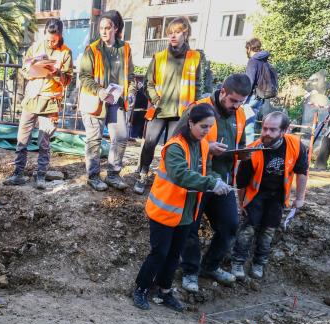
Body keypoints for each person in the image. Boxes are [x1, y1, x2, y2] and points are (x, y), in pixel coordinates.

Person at [132, 103, 233, 311]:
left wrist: (217, 180)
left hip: (186, 212)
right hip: (165, 211)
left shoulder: (203, 145)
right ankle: (141, 289)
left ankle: (164, 291)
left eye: (210, 127)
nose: (207, 132)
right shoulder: (175, 146)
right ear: (190, 123)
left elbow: (207, 170)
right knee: (159, 253)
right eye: (203, 127)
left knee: (174, 254)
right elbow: (181, 175)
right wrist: (211, 184)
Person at [179, 74, 253, 293]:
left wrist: (243, 154)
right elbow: (177, 142)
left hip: (223, 180)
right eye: (233, 101)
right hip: (197, 180)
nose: (236, 106)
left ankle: (209, 266)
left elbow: (239, 143)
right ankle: (190, 271)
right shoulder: (198, 108)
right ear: (222, 92)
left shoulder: (239, 114)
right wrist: (206, 147)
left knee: (230, 225)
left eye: (241, 102)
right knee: (190, 227)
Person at [135, 16, 210, 195]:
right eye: (170, 33)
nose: (173, 36)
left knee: (173, 147)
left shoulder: (196, 57)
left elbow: (199, 86)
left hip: (182, 113)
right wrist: (154, 99)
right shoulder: (159, 57)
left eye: (177, 32)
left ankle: (167, 179)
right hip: (160, 110)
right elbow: (148, 83)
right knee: (150, 142)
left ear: (186, 34)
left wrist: (196, 108)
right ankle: (142, 174)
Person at [231, 112, 308, 280]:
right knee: (248, 228)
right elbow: (242, 182)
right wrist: (241, 204)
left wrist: (300, 198)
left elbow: (302, 172)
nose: (266, 133)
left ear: (284, 130)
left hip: (278, 195)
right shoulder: (252, 149)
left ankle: (259, 263)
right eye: (265, 128)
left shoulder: (296, 145)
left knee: (269, 230)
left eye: (272, 130)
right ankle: (237, 262)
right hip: (256, 194)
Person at [3, 18, 72, 190]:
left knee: (44, 142)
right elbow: (24, 69)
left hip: (49, 101)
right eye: (48, 39)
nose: (50, 42)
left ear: (60, 35)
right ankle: (18, 173)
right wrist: (31, 69)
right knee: (22, 139)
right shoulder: (36, 47)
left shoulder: (66, 53)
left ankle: (40, 176)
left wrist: (57, 72)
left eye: (54, 40)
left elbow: (67, 80)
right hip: (32, 98)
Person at [78, 11, 134, 192]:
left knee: (121, 137)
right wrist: (100, 91)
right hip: (95, 101)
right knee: (94, 139)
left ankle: (113, 174)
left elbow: (131, 76)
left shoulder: (125, 49)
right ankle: (93, 176)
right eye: (101, 28)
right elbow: (84, 77)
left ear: (115, 28)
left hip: (116, 101)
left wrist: (131, 92)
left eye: (107, 28)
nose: (103, 31)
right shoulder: (92, 49)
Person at [245, 38, 277, 113]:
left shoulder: (253, 61)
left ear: (249, 48)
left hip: (252, 96)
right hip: (260, 96)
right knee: (253, 117)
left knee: (247, 119)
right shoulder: (264, 61)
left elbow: (250, 81)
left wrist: (242, 98)